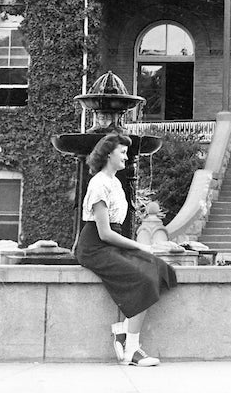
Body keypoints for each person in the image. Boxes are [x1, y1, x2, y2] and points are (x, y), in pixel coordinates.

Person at [73, 132, 177, 367]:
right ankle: (132, 349)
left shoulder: (115, 182)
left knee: (158, 269)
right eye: (122, 152)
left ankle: (123, 331)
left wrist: (146, 249)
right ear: (108, 154)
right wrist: (141, 246)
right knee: (143, 279)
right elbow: (104, 233)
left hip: (110, 243)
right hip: (95, 247)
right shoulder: (99, 183)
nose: (126, 157)